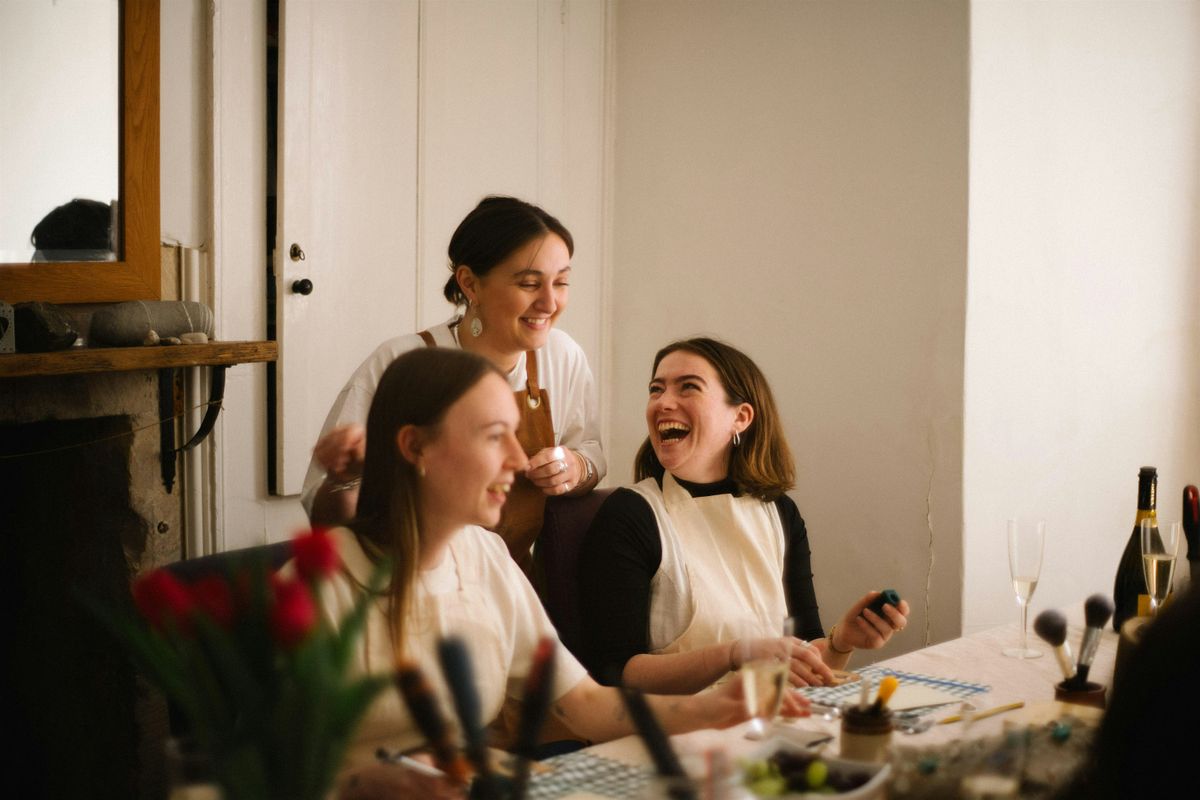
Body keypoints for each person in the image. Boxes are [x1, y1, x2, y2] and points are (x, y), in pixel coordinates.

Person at [308, 347, 796, 777]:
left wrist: (714, 708)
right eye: (494, 436)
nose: (519, 459)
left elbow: (583, 703)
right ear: (416, 447)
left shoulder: (487, 557)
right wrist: (362, 785)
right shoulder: (316, 588)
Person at [578, 337, 910, 693]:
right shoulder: (631, 514)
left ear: (741, 417)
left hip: (772, 710)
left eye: (688, 387)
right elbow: (616, 673)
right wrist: (734, 654)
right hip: (680, 719)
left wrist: (841, 642)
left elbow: (805, 658)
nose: (663, 403)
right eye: (655, 390)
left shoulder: (780, 512)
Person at [303, 196, 604, 576]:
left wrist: (575, 467)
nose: (549, 302)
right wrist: (347, 478)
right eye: (529, 283)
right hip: (405, 579)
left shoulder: (563, 356)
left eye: (561, 282)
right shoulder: (400, 363)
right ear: (470, 284)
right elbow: (321, 502)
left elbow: (591, 450)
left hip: (510, 579)